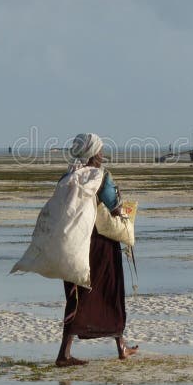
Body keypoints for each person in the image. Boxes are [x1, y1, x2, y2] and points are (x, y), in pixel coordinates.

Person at [55, 132, 139, 367]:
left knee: (77, 296)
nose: (102, 155)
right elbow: (114, 208)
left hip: (76, 245)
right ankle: (119, 346)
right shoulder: (101, 177)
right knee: (111, 291)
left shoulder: (69, 177)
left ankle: (65, 352)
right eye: (100, 151)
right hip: (101, 245)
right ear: (92, 154)